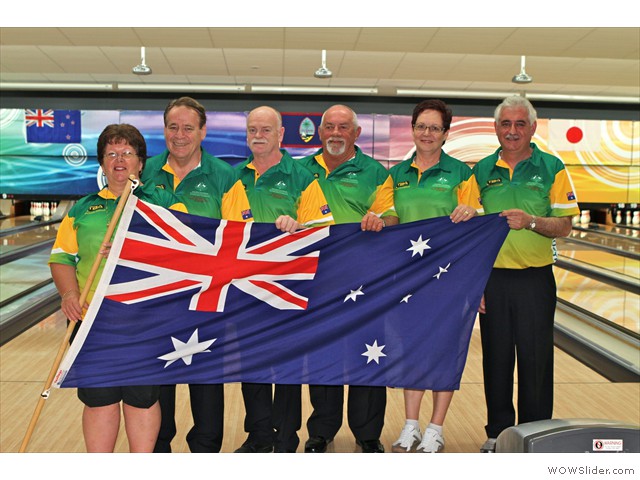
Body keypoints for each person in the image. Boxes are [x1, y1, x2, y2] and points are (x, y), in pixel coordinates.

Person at [49, 123, 186, 452]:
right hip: (95, 318)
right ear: (102, 162)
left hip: (145, 316)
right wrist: (69, 294)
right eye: (111, 153)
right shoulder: (83, 208)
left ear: (141, 162)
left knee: (141, 398)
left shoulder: (164, 202)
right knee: (99, 398)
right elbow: (62, 257)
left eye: (127, 153)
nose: (119, 159)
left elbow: (183, 255)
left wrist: (136, 248)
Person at [141, 96, 252, 453]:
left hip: (206, 293)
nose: (180, 134)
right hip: (156, 295)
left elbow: (240, 233)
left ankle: (205, 451)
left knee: (205, 377)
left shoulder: (224, 176)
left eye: (188, 127)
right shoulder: (144, 172)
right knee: (160, 376)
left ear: (202, 132)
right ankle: (160, 447)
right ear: (164, 130)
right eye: (173, 127)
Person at [470, 95, 579, 452]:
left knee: (536, 360)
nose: (513, 131)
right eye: (506, 124)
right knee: (496, 358)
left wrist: (531, 221)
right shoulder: (481, 171)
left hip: (535, 278)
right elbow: (471, 231)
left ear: (532, 127)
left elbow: (564, 225)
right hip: (493, 278)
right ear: (496, 128)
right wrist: (475, 283)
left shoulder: (552, 167)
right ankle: (497, 433)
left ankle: (535, 432)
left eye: (520, 124)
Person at [233, 106, 333, 453]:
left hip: (288, 284)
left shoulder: (302, 177)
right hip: (245, 285)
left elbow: (323, 227)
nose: (257, 135)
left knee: (288, 364)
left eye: (265, 129)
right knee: (251, 363)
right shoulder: (236, 177)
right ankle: (259, 434)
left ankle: (286, 435)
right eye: (251, 129)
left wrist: (299, 225)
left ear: (280, 135)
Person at [299, 104, 397, 453]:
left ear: (357, 134)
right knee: (322, 353)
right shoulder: (301, 170)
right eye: (329, 127)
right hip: (318, 278)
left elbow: (392, 217)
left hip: (365, 278)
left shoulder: (374, 172)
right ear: (319, 132)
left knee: (368, 352)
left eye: (343, 127)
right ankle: (322, 429)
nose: (335, 133)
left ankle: (367, 432)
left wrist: (382, 221)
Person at [388, 99, 480, 453]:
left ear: (445, 133)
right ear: (412, 129)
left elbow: (478, 220)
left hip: (451, 278)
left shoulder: (461, 174)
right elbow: (389, 215)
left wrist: (472, 210)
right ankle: (410, 425)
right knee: (411, 349)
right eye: (421, 126)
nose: (427, 133)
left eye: (434, 128)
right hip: (409, 278)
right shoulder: (396, 175)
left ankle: (435, 428)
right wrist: (383, 220)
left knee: (445, 351)